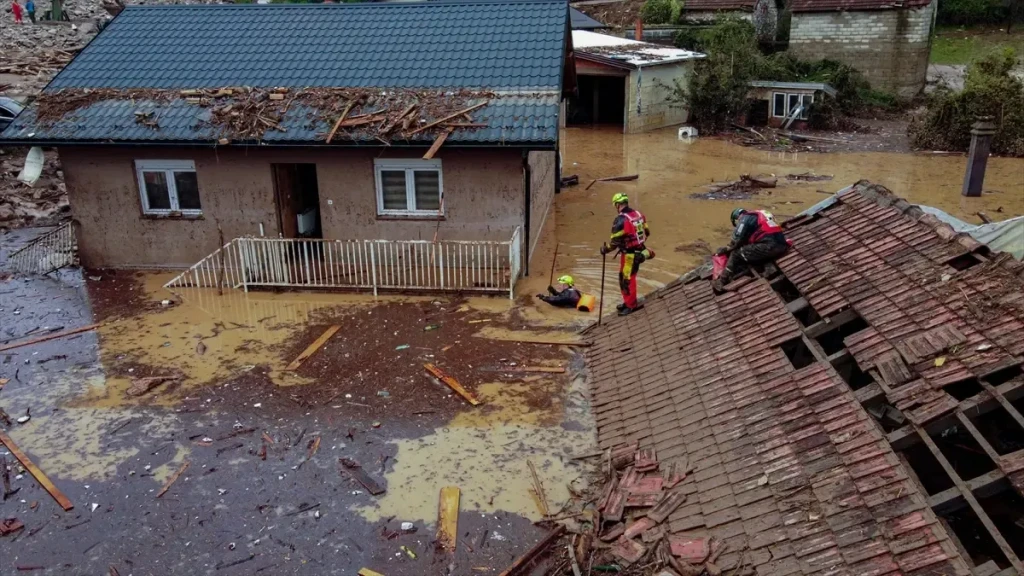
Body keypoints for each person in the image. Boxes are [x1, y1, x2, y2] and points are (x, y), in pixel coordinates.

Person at [600, 193, 654, 316]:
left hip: (629, 254)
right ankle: (627, 301)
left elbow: (614, 243)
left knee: (627, 279)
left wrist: (605, 249)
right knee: (625, 277)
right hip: (639, 250)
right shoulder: (639, 215)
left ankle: (631, 305)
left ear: (617, 205)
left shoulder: (620, 220)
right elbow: (647, 232)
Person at [712, 208, 790, 292]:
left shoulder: (745, 218)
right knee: (755, 252)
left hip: (769, 246)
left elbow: (736, 239)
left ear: (737, 218)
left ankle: (721, 281)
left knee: (736, 254)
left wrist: (727, 249)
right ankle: (769, 267)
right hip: (781, 245)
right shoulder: (759, 214)